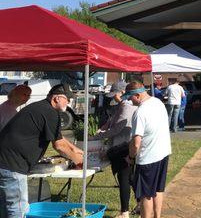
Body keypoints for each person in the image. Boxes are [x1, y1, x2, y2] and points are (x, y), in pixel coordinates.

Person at [0, 84, 83, 218]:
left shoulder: (41, 108)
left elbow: (59, 137)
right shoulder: (50, 112)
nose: (69, 102)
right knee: (18, 208)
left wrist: (76, 150)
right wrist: (79, 161)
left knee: (5, 207)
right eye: (67, 99)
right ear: (56, 98)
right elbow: (59, 145)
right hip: (13, 165)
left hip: (4, 162)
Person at [124, 81, 171, 218]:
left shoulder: (140, 112)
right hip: (163, 153)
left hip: (148, 159)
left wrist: (131, 157)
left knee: (146, 194)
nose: (128, 100)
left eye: (129, 97)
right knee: (158, 189)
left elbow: (136, 142)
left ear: (138, 95)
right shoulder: (158, 102)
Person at [91, 81, 137, 218]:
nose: (113, 98)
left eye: (114, 95)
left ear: (123, 92)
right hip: (123, 145)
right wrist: (105, 126)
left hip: (122, 147)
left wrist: (98, 135)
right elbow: (112, 122)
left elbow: (117, 128)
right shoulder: (122, 105)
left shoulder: (127, 106)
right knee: (131, 177)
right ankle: (139, 203)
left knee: (124, 178)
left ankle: (124, 212)